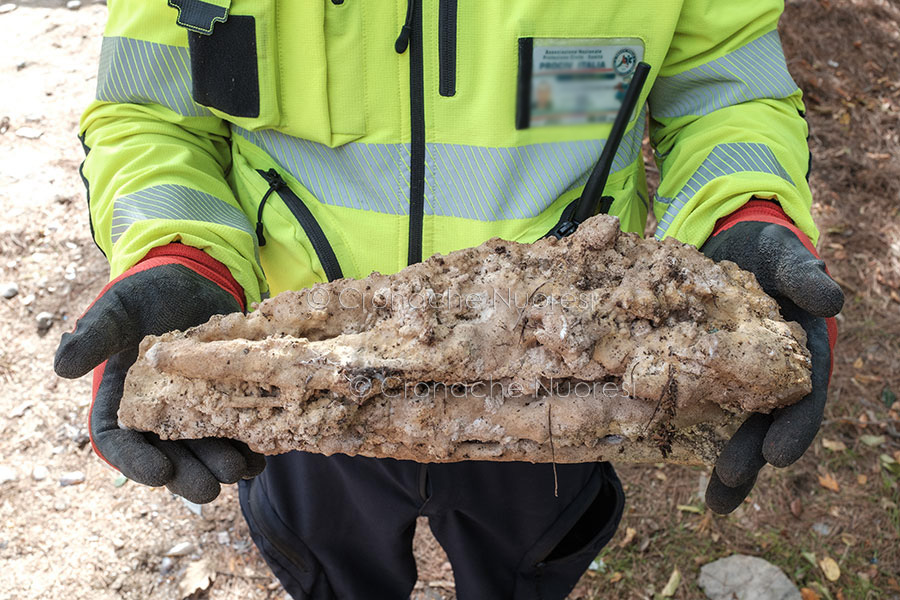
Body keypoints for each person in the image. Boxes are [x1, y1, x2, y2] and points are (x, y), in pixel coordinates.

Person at [54, 1, 842, 598]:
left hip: (563, 388)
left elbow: (724, 93)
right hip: (301, 389)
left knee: (528, 568)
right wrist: (182, 253)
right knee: (332, 572)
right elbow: (152, 111)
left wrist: (746, 214)